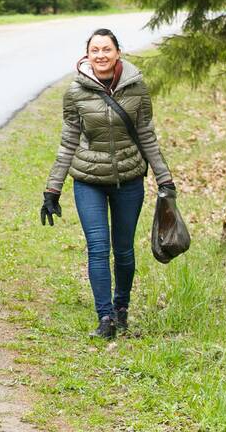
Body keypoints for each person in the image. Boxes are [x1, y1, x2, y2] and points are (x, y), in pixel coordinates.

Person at [42, 28, 176, 339]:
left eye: (106, 49)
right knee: (98, 249)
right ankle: (105, 317)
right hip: (88, 180)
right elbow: (68, 143)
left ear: (117, 52)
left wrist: (164, 178)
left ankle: (122, 308)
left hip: (129, 180)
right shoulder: (75, 93)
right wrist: (52, 189)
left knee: (124, 251)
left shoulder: (137, 88)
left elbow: (146, 135)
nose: (101, 55)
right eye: (94, 50)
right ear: (86, 56)